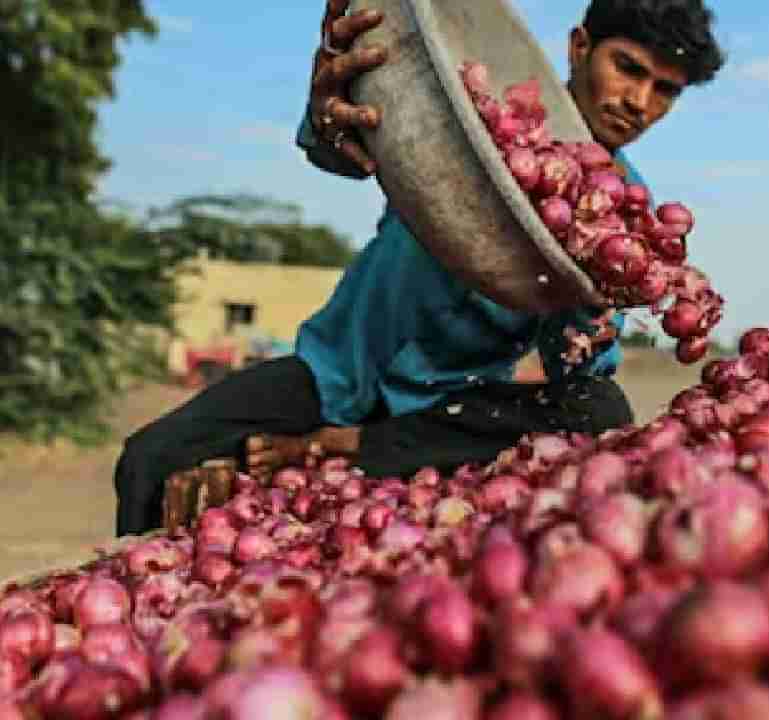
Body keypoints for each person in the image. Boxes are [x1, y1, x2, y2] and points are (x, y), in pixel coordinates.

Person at [111, 0, 726, 537]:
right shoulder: (478, 122)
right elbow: (355, 147)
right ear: (580, 46)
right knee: (148, 460)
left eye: (665, 90)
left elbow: (576, 377)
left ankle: (352, 449)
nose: (638, 103)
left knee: (601, 410)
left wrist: (591, 297)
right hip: (332, 374)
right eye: (629, 68)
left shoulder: (628, 222)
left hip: (443, 413)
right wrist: (331, 111)